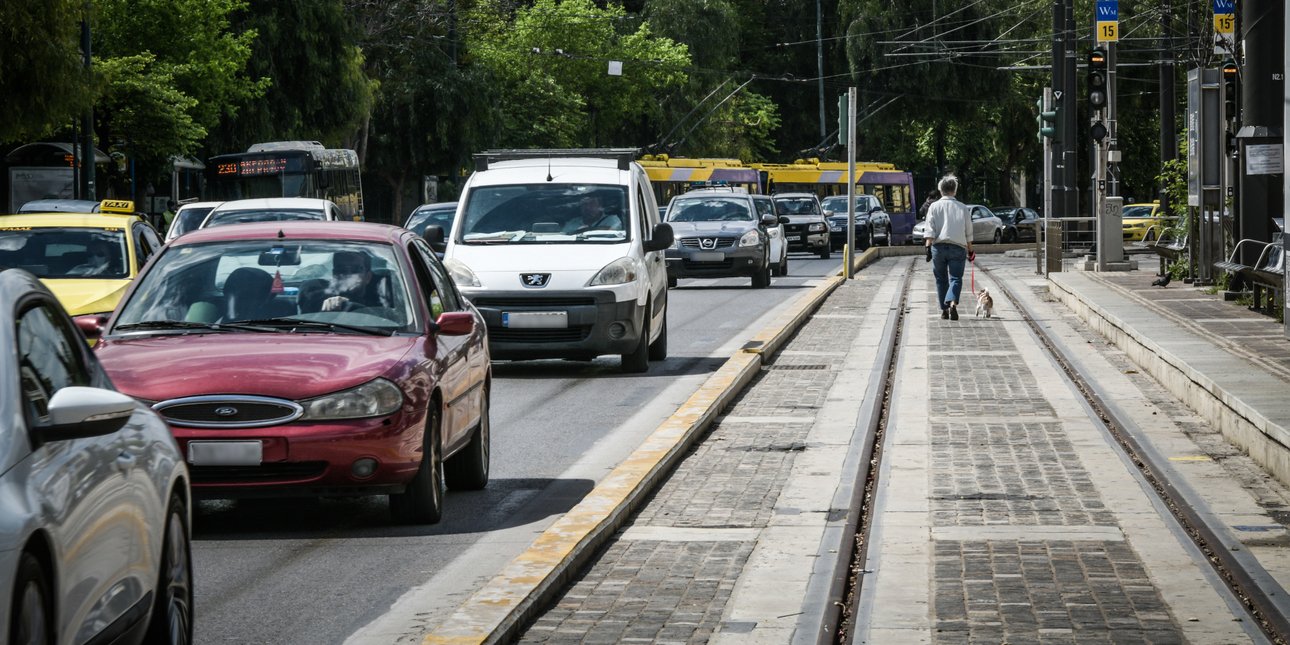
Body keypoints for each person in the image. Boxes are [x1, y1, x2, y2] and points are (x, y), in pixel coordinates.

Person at [923, 175, 973, 321]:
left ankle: (944, 310)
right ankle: (952, 302)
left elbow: (930, 228)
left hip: (938, 247)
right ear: (955, 190)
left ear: (940, 190)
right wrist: (970, 250)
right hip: (958, 247)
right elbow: (968, 231)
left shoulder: (934, 206)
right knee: (956, 278)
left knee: (941, 278)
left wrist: (927, 247)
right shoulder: (963, 208)